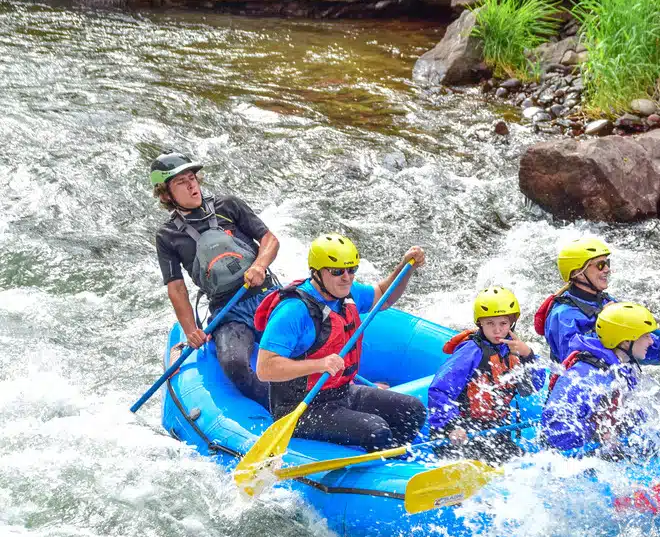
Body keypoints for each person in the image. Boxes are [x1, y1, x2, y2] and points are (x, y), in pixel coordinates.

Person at [254, 234, 426, 450]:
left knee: (413, 409)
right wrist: (319, 364)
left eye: (351, 269)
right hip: (300, 408)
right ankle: (372, 473)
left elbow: (384, 295)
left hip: (342, 393)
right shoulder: (293, 310)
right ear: (316, 273)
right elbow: (265, 368)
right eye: (337, 271)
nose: (346, 277)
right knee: (376, 430)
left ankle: (396, 462)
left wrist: (405, 267)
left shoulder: (347, 293)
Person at [151, 151, 279, 405]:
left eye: (192, 178)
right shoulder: (167, 236)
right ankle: (277, 406)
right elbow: (176, 288)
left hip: (266, 295)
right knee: (234, 363)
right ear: (166, 194)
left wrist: (259, 265)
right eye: (180, 182)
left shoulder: (227, 205)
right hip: (227, 311)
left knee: (310, 339)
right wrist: (191, 331)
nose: (191, 185)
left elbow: (269, 240)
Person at [427, 286, 545, 463]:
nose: (497, 330)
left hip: (492, 430)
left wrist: (528, 355)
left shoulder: (514, 350)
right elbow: (439, 390)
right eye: (490, 323)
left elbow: (531, 388)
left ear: (511, 323)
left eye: (503, 323)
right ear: (480, 323)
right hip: (458, 431)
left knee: (522, 464)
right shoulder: (470, 352)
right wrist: (452, 426)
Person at [542, 302, 659, 455]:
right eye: (646, 336)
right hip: (573, 457)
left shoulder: (623, 366)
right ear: (625, 341)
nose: (651, 342)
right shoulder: (586, 375)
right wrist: (596, 431)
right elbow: (554, 429)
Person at [534, 237, 660, 364]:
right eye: (600, 265)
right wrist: (601, 326)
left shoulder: (605, 300)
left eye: (607, 263)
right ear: (579, 273)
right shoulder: (563, 315)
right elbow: (574, 359)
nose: (608, 269)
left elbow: (635, 340)